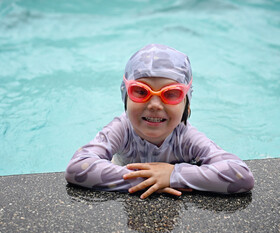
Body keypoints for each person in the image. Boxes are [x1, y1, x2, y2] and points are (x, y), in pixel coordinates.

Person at [65, 43, 254, 199]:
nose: (155, 104)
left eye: (171, 94)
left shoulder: (185, 136)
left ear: (186, 106)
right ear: (125, 98)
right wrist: (146, 179)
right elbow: (77, 167)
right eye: (141, 91)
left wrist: (174, 175)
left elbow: (240, 175)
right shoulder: (122, 128)